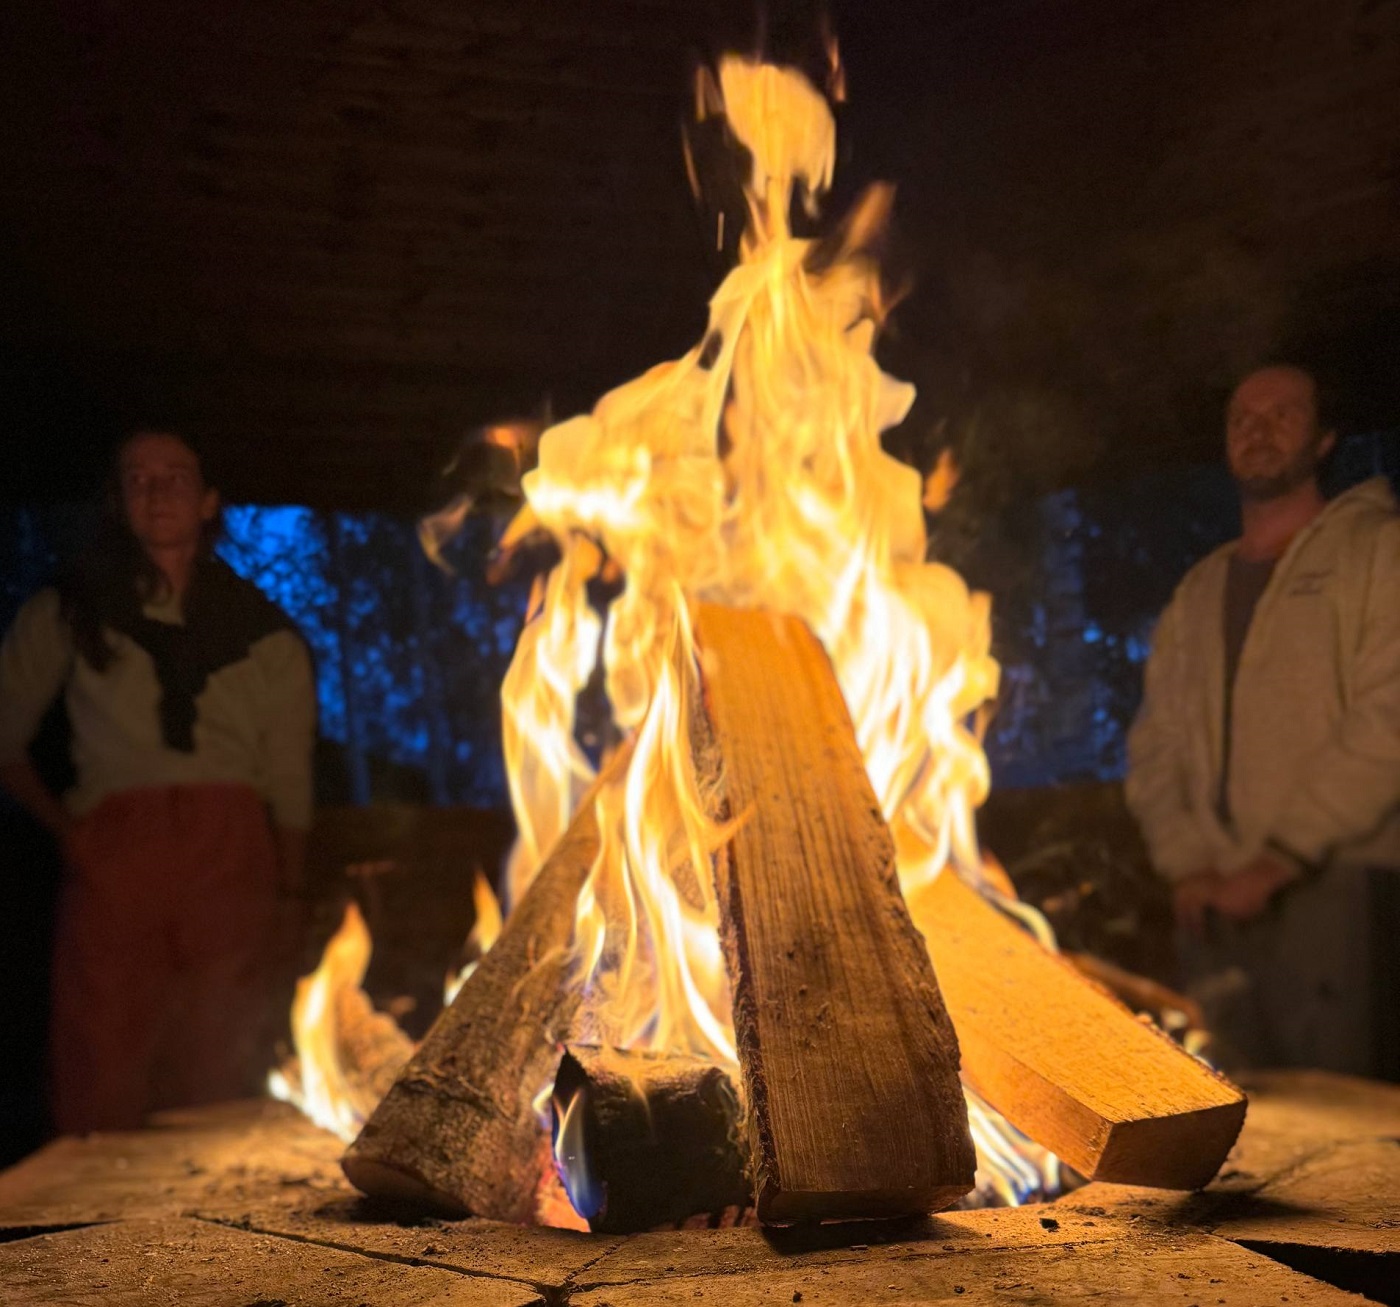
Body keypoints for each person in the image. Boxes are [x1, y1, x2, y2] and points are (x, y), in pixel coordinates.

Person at [0, 428, 316, 1132]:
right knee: (101, 1060)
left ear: (208, 500)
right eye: (138, 478)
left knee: (218, 1064)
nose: (158, 489)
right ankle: (92, 1235)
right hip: (117, 851)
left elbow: (290, 777)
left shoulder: (266, 634)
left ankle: (212, 1238)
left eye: (176, 476)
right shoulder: (68, 612)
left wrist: (290, 891)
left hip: (230, 854)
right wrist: (73, 833)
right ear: (118, 500)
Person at [1126, 364, 1400, 1077]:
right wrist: (1187, 863)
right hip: (1214, 909)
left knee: (1352, 1135)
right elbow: (1154, 746)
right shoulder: (1199, 589)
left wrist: (1282, 854)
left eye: (1284, 413)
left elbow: (1389, 713)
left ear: (1325, 438)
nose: (1258, 428)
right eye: (1242, 416)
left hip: (1340, 893)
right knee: (1245, 1127)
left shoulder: (1377, 550)